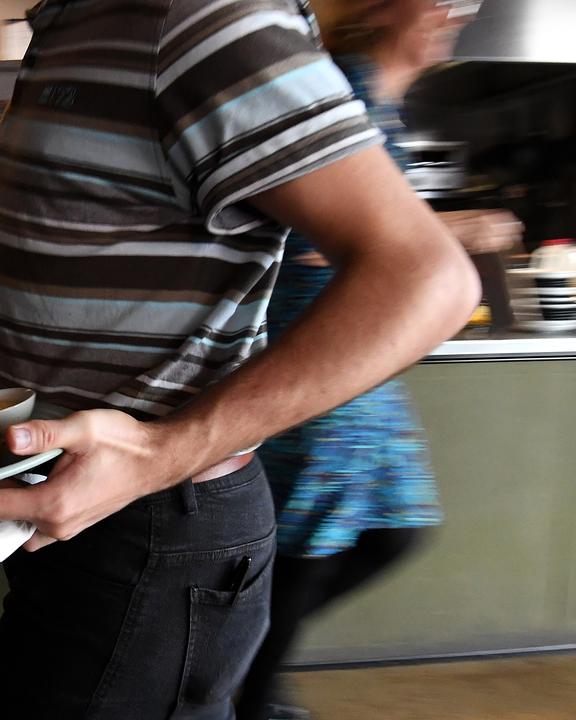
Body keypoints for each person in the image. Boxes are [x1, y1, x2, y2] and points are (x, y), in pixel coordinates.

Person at [0, 0, 481, 718]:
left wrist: (165, 452)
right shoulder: (79, 20)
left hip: (150, 527)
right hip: (80, 513)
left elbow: (426, 278)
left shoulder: (203, 18)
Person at [235, 3, 521, 719]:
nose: (455, 14)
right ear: (382, 8)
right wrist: (455, 228)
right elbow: (315, 235)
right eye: (439, 2)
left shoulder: (379, 108)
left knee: (397, 531)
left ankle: (236, 657)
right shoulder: (344, 94)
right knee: (313, 539)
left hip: (366, 370)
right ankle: (249, 690)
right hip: (326, 362)